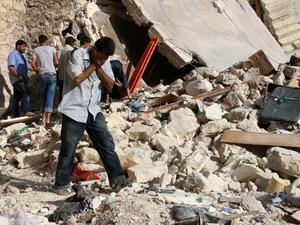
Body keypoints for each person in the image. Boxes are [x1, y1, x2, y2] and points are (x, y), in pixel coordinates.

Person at [54, 37, 127, 194]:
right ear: (95, 49)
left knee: (107, 144)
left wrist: (99, 68)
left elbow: (109, 85)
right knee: (68, 149)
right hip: (74, 110)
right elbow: (77, 79)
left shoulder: (104, 61)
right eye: (101, 56)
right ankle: (61, 184)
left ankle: (118, 179)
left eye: (106, 58)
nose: (103, 60)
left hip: (93, 111)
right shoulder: (78, 55)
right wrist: (94, 65)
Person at [32, 35, 59, 128]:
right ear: (46, 41)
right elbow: (56, 62)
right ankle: (48, 119)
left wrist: (37, 71)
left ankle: (42, 118)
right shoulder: (52, 49)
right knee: (50, 97)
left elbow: (33, 64)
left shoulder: (36, 50)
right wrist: (53, 68)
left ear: (39, 41)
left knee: (43, 96)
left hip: (42, 75)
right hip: (52, 75)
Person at [7, 40, 34, 118]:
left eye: (25, 47)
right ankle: (26, 111)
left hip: (21, 79)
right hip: (17, 79)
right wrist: (19, 76)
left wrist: (37, 69)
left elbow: (28, 66)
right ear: (18, 46)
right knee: (26, 92)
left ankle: (15, 115)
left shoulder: (22, 56)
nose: (24, 48)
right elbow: (10, 67)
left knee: (17, 97)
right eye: (23, 46)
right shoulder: (13, 55)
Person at [57, 36, 76, 102]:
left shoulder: (62, 49)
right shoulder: (70, 50)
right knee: (66, 93)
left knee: (61, 92)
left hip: (60, 74)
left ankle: (60, 107)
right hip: (67, 75)